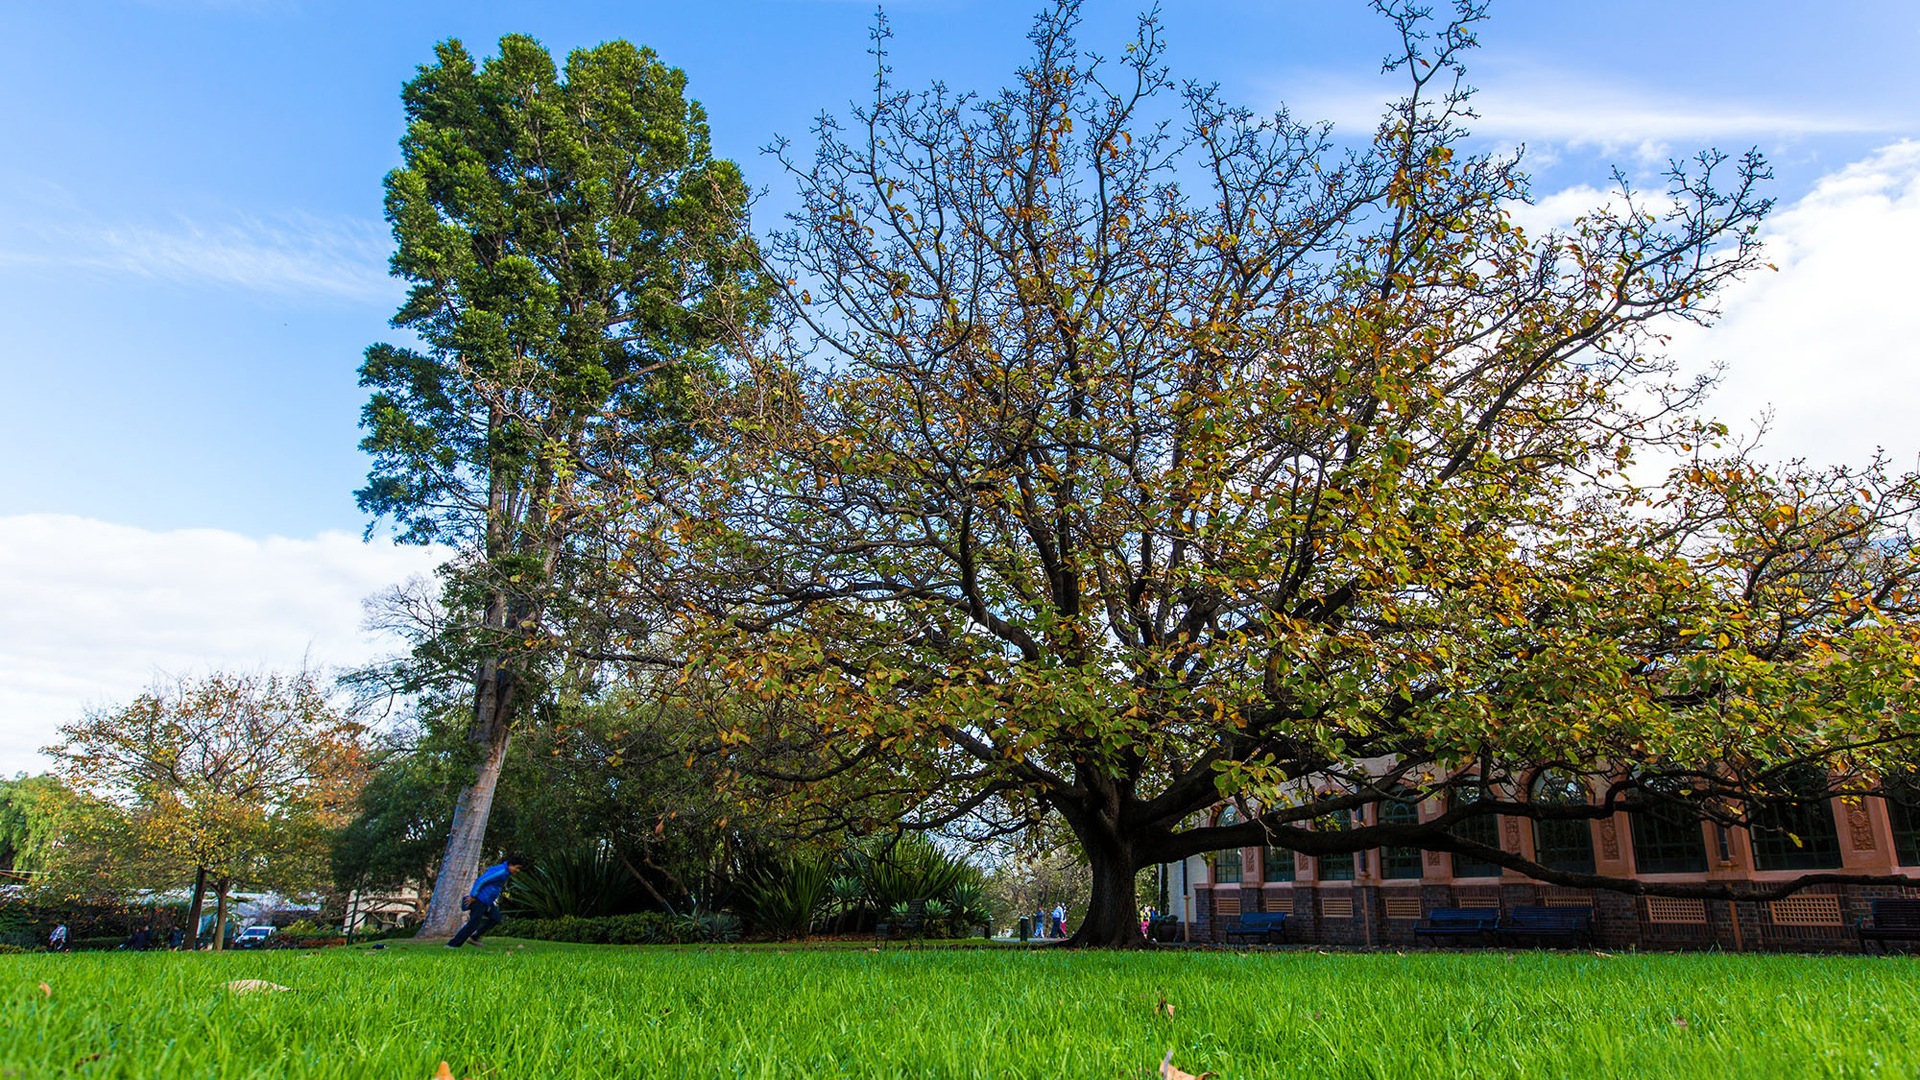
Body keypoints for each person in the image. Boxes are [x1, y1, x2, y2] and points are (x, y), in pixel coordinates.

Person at [446, 853, 526, 948]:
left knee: (496, 918)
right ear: (510, 865)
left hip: (487, 902)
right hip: (480, 899)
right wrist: (473, 895)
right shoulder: (501, 871)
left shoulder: (505, 873)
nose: (517, 870)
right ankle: (452, 944)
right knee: (473, 924)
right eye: (517, 868)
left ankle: (474, 937)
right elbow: (481, 880)